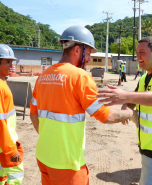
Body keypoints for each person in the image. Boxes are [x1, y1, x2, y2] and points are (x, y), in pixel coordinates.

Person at [29, 26, 136, 185]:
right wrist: (131, 112)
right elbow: (106, 116)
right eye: (90, 53)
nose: (90, 58)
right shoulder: (80, 77)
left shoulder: (42, 77)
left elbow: (33, 114)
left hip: (44, 156)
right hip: (67, 163)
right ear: (77, 50)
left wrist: (49, 139)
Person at [97, 36, 152, 185]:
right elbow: (136, 98)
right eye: (137, 53)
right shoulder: (145, 77)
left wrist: (124, 96)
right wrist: (126, 104)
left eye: (142, 52)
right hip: (149, 143)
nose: (138, 57)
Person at [0, 44, 24, 185]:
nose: (11, 65)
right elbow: (1, 121)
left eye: (12, 62)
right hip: (6, 145)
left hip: (3, 144)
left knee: (2, 177)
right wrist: (10, 150)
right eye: (7, 62)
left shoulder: (3, 83)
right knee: (15, 176)